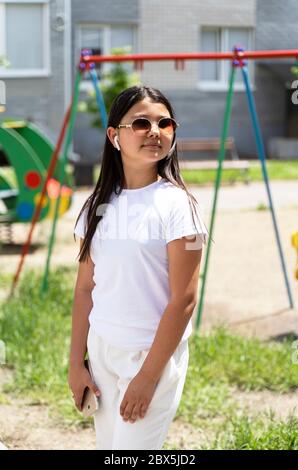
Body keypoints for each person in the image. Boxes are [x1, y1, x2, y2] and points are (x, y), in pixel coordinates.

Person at [68, 85, 207, 450]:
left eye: (164, 123)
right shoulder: (95, 207)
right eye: (141, 123)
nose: (155, 131)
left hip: (151, 358)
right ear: (115, 136)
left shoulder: (180, 207)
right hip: (101, 355)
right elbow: (85, 289)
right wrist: (75, 363)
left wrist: (148, 378)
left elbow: (185, 300)